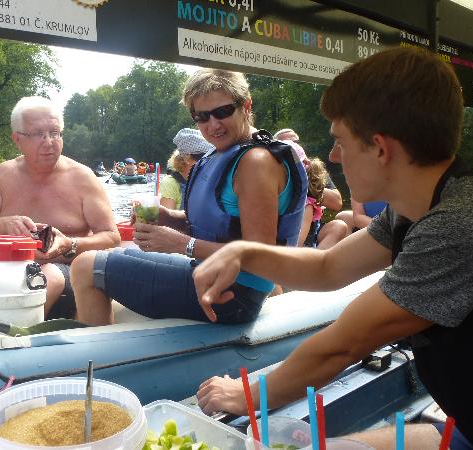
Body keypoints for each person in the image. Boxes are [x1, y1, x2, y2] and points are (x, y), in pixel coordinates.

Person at [193, 47, 473, 449]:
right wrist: (244, 253)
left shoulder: (467, 222)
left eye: (340, 142)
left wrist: (245, 395)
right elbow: (327, 267)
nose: (333, 157)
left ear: (380, 148)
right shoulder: (417, 207)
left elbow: (345, 344)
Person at [70, 68, 307, 326]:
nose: (213, 124)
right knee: (105, 253)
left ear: (246, 106)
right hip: (209, 274)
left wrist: (181, 244)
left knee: (86, 267)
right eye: (201, 116)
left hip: (234, 295)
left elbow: (260, 256)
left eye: (223, 111)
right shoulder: (225, 152)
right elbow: (223, 225)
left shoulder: (255, 162)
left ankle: (100, 350)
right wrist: (169, 217)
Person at [0, 97, 120, 320]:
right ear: (17, 140)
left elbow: (112, 237)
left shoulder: (83, 177)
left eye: (54, 133)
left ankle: (18, 334)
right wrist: (4, 224)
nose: (48, 142)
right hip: (8, 275)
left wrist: (70, 245)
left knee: (48, 277)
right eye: (37, 134)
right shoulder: (3, 175)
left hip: (69, 276)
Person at [273, 128, 347, 248]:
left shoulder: (313, 171)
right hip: (283, 235)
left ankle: (316, 258)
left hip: (308, 231)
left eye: (295, 142)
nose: (291, 146)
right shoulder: (271, 173)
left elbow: (337, 203)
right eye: (284, 143)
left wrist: (305, 182)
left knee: (338, 226)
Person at [159, 128, 212, 210]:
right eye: (202, 159)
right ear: (187, 158)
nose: (208, 163)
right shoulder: (169, 184)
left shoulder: (206, 180)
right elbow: (166, 217)